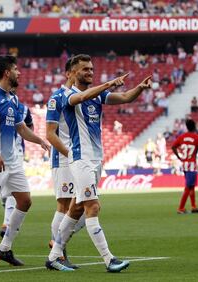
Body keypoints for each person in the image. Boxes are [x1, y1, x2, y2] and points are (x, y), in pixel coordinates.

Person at [46, 54, 151, 272]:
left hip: (95, 159)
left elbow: (124, 98)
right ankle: (109, 259)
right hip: (80, 158)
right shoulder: (68, 95)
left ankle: (54, 256)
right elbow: (79, 99)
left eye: (92, 69)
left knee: (76, 209)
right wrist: (108, 83)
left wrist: (140, 88)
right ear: (73, 74)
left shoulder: (98, 96)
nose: (90, 73)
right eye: (85, 69)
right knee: (92, 206)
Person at [0, 55, 50, 268]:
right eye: (16, 69)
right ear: (7, 72)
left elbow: (21, 129)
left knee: (25, 201)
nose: (19, 72)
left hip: (13, 162)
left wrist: (39, 140)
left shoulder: (14, 100)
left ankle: (4, 248)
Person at [0, 98, 34, 238]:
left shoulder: (24, 109)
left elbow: (30, 126)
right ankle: (9, 215)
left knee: (16, 191)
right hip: (1, 152)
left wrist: (23, 132)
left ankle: (7, 224)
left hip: (17, 152)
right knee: (4, 193)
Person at [171, 119, 198, 215]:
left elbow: (173, 147)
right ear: (194, 127)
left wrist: (179, 157)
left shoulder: (182, 137)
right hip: (192, 166)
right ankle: (180, 208)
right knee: (188, 187)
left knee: (191, 187)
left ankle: (194, 207)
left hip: (185, 165)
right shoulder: (197, 138)